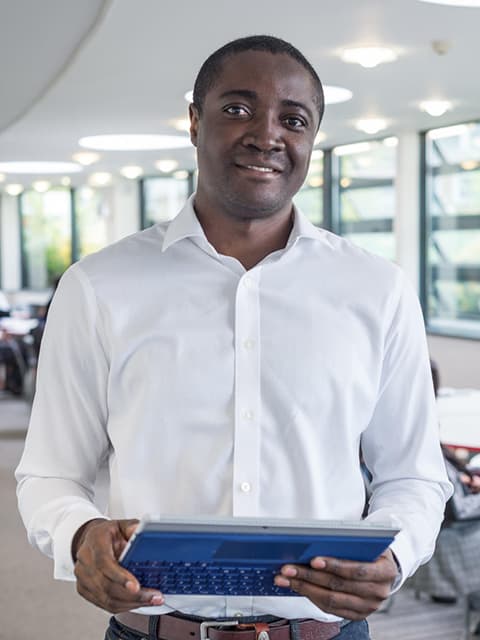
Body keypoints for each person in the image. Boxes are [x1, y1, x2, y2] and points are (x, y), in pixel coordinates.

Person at [16, 35, 452, 640]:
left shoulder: (378, 290)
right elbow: (49, 472)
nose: (267, 135)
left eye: (293, 119)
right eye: (238, 109)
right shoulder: (99, 286)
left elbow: (414, 475)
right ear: (194, 121)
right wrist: (77, 535)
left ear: (312, 139)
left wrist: (395, 556)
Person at [413, 362, 480, 607]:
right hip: (450, 539)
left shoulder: (419, 433)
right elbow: (454, 510)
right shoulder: (419, 433)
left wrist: (463, 476)